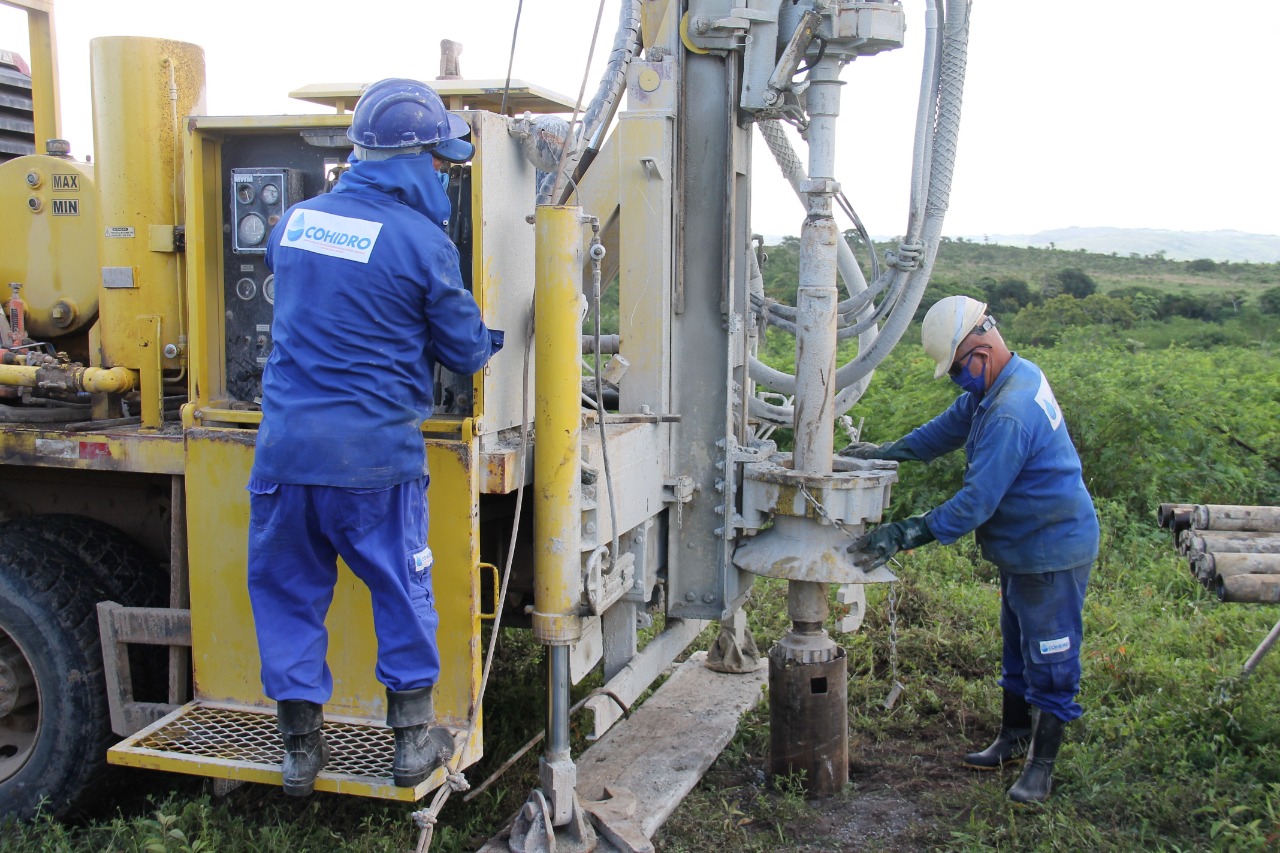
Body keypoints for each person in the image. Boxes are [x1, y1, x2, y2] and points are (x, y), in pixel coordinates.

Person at [245, 78, 504, 797]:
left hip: (286, 457)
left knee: (287, 595)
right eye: (441, 164)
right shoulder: (423, 242)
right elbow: (463, 349)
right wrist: (500, 335)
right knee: (400, 590)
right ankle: (412, 745)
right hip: (374, 464)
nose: (444, 176)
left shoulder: (294, 223)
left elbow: (291, 276)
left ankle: (300, 752)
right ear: (413, 160)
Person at [844, 294, 1098, 803]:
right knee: (1016, 644)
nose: (960, 382)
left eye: (959, 370)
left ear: (978, 355)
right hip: (1022, 547)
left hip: (1051, 549)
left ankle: (1041, 768)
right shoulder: (1004, 381)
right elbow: (945, 430)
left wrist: (906, 533)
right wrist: (887, 451)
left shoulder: (1010, 411)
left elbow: (975, 504)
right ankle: (1013, 736)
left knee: (1050, 655)